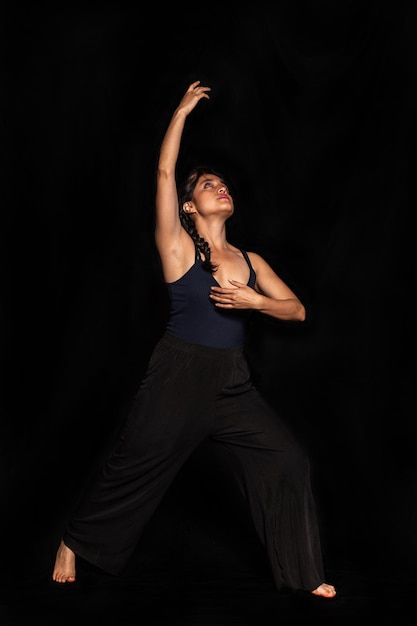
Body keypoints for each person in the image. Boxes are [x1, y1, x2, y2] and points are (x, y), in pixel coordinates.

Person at [52, 80, 336, 599]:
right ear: (188, 208)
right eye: (207, 185)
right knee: (133, 463)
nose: (220, 188)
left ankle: (305, 574)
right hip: (178, 374)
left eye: (223, 183)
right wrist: (181, 111)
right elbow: (164, 172)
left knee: (289, 459)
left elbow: (296, 310)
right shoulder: (179, 248)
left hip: (232, 381)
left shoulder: (252, 263)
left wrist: (257, 303)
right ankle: (73, 540)